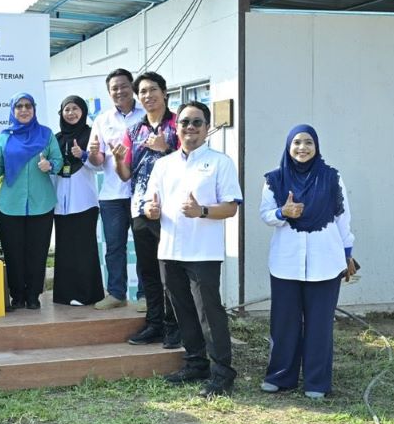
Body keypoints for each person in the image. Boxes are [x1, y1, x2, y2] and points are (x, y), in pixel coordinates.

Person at [146, 101, 242, 397]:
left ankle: (222, 372)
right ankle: (195, 363)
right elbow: (150, 203)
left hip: (203, 252)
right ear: (176, 127)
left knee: (209, 313)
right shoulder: (163, 164)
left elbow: (231, 208)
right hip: (170, 250)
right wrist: (151, 210)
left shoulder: (220, 162)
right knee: (182, 311)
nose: (190, 127)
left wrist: (202, 211)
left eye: (197, 122)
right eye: (185, 122)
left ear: (207, 128)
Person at [260, 125, 356, 399]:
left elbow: (342, 218)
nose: (302, 148)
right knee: (284, 323)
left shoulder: (331, 177)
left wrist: (347, 253)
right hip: (286, 263)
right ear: (288, 146)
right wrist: (283, 212)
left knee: (320, 325)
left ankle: (316, 382)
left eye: (308, 142)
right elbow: (265, 214)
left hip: (325, 262)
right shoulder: (275, 178)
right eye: (297, 143)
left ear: (316, 146)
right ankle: (281, 377)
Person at [117, 73, 181, 347]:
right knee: (149, 273)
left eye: (152, 89)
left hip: (173, 210)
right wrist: (118, 160)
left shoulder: (180, 123)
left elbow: (191, 163)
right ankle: (155, 324)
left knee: (173, 273)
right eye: (142, 91)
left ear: (164, 92)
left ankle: (176, 326)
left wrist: (166, 148)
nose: (147, 95)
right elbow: (125, 174)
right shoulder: (134, 131)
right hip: (141, 208)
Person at [0, 92, 62, 310]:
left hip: (41, 203)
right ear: (13, 110)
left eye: (28, 106)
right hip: (11, 204)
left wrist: (50, 165)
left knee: (37, 252)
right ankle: (17, 295)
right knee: (13, 252)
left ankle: (33, 295)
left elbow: (58, 160)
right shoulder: (4, 137)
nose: (24, 110)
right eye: (19, 106)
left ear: (34, 109)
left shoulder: (46, 134)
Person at [88, 68, 146, 310]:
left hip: (142, 194)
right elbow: (97, 161)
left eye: (124, 86)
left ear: (132, 87)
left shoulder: (146, 115)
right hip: (112, 195)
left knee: (144, 246)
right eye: (114, 88)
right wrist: (93, 154)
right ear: (109, 92)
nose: (119, 91)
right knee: (114, 247)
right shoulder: (102, 120)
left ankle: (145, 295)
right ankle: (116, 293)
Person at [51, 96, 105, 307]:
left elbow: (100, 166)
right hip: (60, 203)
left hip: (84, 201)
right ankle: (64, 295)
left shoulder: (91, 135)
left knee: (84, 249)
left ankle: (87, 294)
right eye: (67, 109)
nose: (71, 113)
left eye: (75, 109)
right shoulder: (56, 138)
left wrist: (82, 155)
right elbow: (52, 168)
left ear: (83, 111)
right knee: (65, 249)